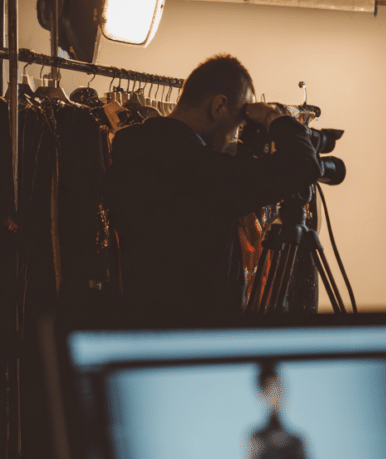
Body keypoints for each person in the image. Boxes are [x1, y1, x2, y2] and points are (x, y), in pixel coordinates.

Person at [102, 55, 322, 318]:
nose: (234, 135)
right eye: (238, 123)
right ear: (218, 106)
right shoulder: (204, 171)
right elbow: (303, 165)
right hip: (199, 340)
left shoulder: (129, 152)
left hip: (139, 326)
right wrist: (273, 118)